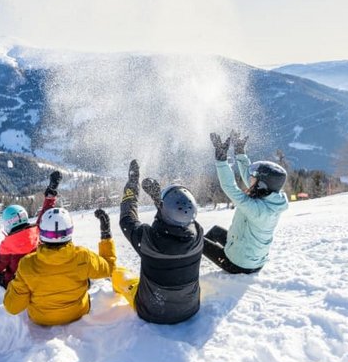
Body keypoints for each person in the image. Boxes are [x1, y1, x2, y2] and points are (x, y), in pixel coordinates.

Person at [113, 159, 204, 325]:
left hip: (151, 311)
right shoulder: (198, 234)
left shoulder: (148, 239)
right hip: (190, 309)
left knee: (118, 274)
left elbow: (127, 217)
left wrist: (132, 183)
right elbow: (176, 220)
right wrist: (158, 198)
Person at [3, 204, 116, 326]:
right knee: (85, 278)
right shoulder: (83, 257)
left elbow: (12, 307)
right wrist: (106, 235)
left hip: (41, 319)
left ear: (42, 232)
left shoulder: (27, 264)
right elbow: (109, 268)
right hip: (78, 313)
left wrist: (19, 281)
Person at [206, 131, 289, 274]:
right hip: (252, 258)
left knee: (197, 241)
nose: (251, 178)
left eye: (255, 177)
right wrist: (240, 153)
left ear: (261, 184)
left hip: (239, 264)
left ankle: (186, 264)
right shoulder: (270, 195)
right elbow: (249, 178)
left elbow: (230, 187)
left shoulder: (258, 210)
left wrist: (221, 160)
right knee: (215, 231)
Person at [0, 171, 61, 288]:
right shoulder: (37, 231)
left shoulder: (7, 245)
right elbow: (45, 213)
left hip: (17, 283)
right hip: (38, 276)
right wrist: (51, 194)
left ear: (7, 223)